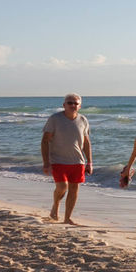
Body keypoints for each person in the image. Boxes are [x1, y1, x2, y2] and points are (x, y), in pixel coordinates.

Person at [41, 93, 92, 225]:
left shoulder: (83, 120)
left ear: (80, 106)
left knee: (74, 189)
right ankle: (55, 205)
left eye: (76, 103)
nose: (73, 105)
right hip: (58, 160)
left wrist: (89, 162)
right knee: (62, 187)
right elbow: (45, 140)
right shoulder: (55, 119)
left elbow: (86, 142)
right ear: (64, 105)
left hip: (77, 161)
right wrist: (46, 162)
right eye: (70, 103)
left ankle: (67, 218)